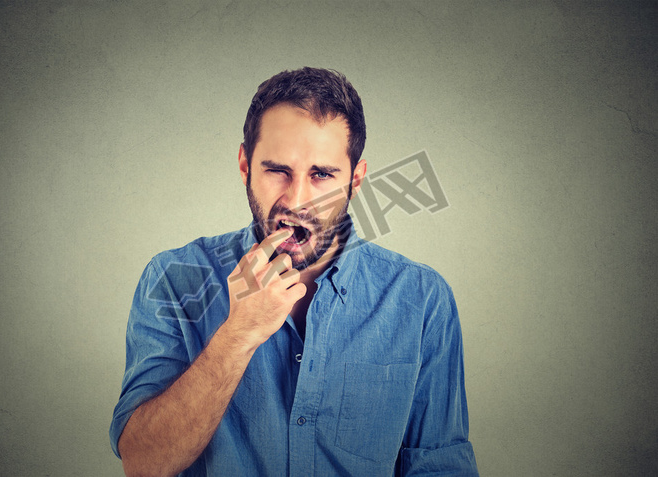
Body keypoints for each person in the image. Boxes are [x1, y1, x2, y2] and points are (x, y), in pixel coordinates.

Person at [110, 67, 479, 476]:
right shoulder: (174, 280)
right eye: (277, 170)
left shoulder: (422, 298)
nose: (297, 199)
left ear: (355, 180)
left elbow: (439, 465)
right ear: (245, 165)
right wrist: (238, 336)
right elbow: (142, 464)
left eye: (322, 175)